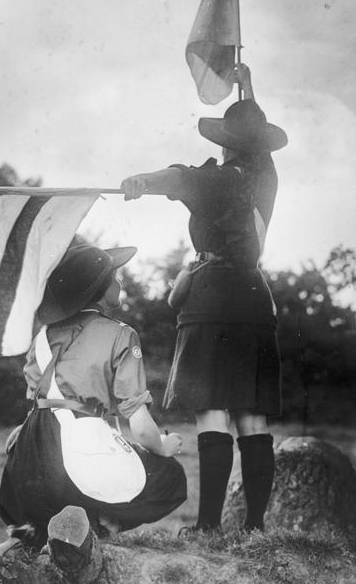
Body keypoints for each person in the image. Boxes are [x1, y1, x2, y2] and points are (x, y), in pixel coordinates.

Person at [120, 63, 287, 534]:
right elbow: (242, 147)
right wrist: (249, 88)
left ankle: (209, 526)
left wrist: (141, 181)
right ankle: (255, 527)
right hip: (254, 299)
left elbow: (179, 177)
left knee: (213, 408)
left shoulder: (222, 178)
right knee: (251, 414)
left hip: (213, 298)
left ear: (229, 142)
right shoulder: (266, 176)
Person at [0, 243, 187, 547]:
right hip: (75, 461)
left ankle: (33, 533)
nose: (120, 280)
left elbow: (40, 400)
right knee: (170, 477)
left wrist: (23, 433)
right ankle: (100, 530)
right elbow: (139, 424)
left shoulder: (42, 336)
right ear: (98, 288)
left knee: (56, 490)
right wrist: (162, 447)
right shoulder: (120, 334)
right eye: (115, 275)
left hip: (29, 459)